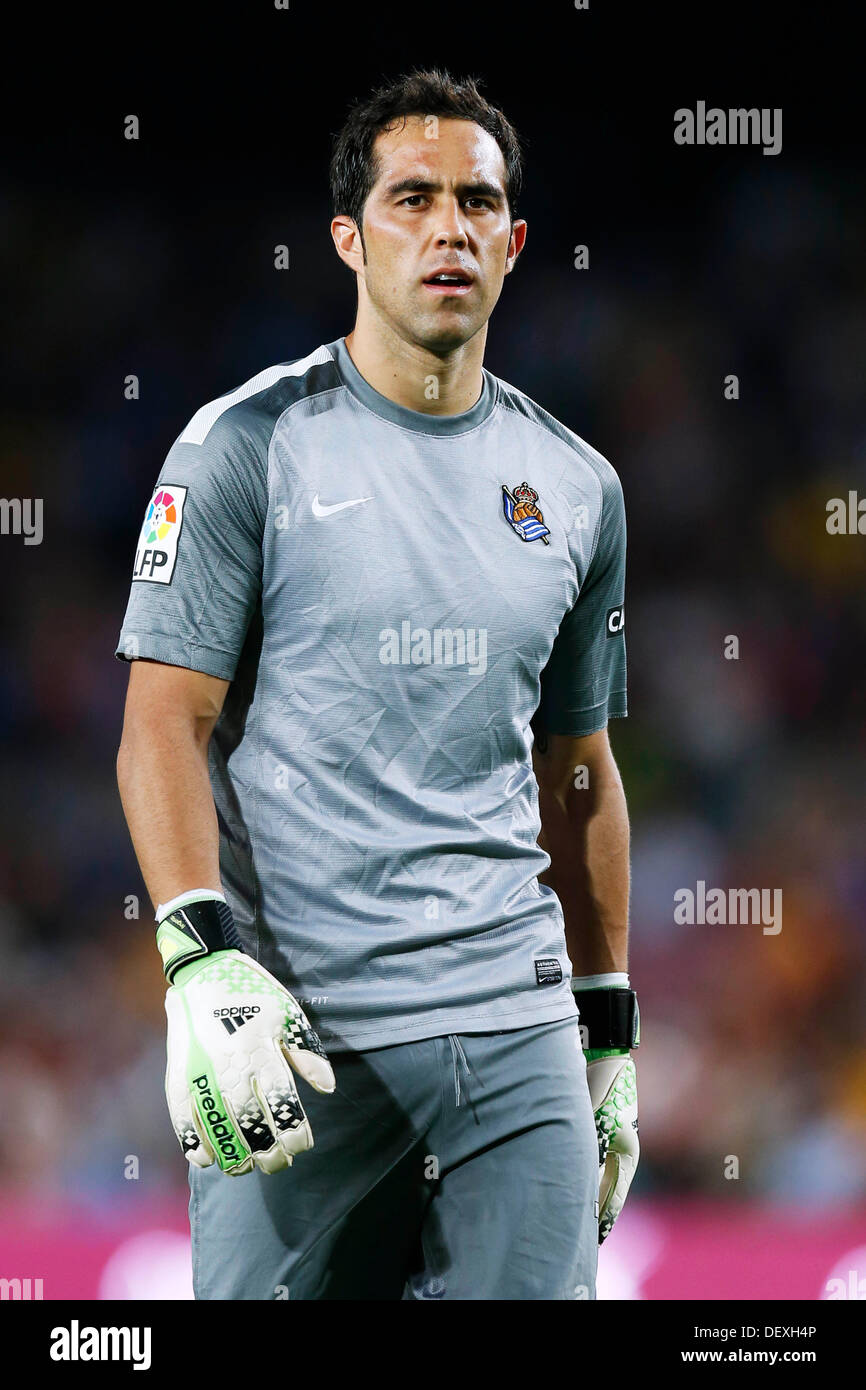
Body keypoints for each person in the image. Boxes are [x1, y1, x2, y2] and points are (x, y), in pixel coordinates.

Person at [115, 66, 638, 1301]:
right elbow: (160, 727)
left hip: (517, 1040)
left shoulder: (578, 488)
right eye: (413, 198)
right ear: (351, 237)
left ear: (513, 245)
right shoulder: (242, 445)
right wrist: (200, 960)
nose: (448, 227)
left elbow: (578, 769)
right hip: (299, 1047)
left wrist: (606, 1027)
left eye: (475, 202)